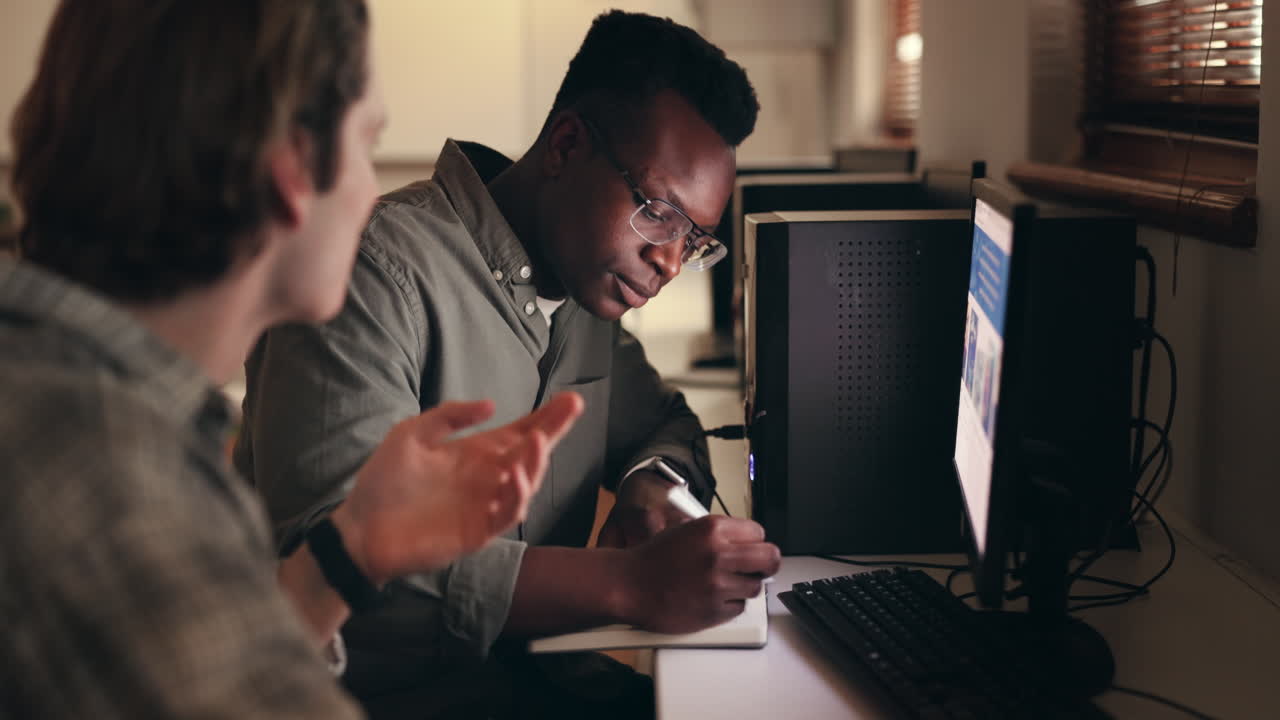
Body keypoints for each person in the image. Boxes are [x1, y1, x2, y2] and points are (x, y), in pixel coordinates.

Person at [0, 1, 581, 717]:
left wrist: (345, 556)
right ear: (292, 167)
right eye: (367, 144)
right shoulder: (108, 479)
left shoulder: (62, 383)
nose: (374, 190)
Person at [237, 10, 782, 719]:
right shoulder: (374, 274)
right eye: (657, 211)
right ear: (565, 145)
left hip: (532, 687)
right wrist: (626, 584)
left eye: (697, 239)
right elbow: (329, 569)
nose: (671, 261)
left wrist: (652, 484)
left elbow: (668, 422)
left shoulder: (586, 294)